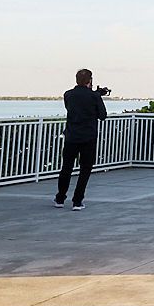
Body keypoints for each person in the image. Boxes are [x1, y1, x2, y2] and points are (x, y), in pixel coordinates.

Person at [56, 69, 108, 210]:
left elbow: (73, 108)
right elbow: (102, 115)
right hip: (88, 137)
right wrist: (97, 96)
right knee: (85, 169)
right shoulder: (94, 97)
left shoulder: (68, 95)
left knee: (66, 168)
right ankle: (77, 201)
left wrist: (94, 94)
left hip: (71, 136)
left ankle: (60, 198)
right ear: (89, 81)